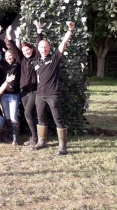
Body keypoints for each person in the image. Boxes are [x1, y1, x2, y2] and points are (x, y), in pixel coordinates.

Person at [31, 21, 75, 155]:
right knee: (40, 118)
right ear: (38, 49)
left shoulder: (54, 58)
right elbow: (39, 41)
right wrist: (39, 30)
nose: (44, 49)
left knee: (58, 119)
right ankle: (41, 142)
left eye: (46, 47)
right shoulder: (37, 62)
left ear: (49, 48)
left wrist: (70, 31)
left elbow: (63, 44)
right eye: (41, 47)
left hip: (53, 95)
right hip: (39, 95)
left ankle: (62, 146)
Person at [6, 22, 43, 147]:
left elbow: (40, 45)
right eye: (24, 50)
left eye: (28, 50)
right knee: (29, 115)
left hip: (34, 91)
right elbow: (13, 48)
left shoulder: (37, 57)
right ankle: (35, 137)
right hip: (23, 92)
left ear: (32, 49)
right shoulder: (21, 59)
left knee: (28, 113)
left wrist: (39, 31)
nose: (26, 52)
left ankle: (35, 138)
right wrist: (8, 35)